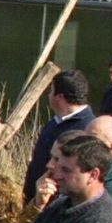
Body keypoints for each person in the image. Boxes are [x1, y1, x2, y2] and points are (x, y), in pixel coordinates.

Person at [23, 70, 96, 202]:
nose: (49, 95)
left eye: (51, 91)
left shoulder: (87, 128)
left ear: (60, 97)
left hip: (56, 204)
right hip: (36, 201)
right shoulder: (55, 122)